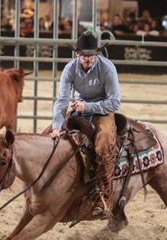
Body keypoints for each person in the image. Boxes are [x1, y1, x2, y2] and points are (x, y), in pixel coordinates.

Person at [50, 31, 121, 215]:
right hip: (78, 107)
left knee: (104, 139)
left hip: (103, 110)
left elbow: (114, 102)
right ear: (77, 54)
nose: (88, 58)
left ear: (97, 54)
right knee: (55, 135)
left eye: (91, 54)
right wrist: (56, 127)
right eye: (84, 55)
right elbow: (62, 100)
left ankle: (105, 190)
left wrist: (87, 106)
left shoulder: (107, 68)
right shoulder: (70, 69)